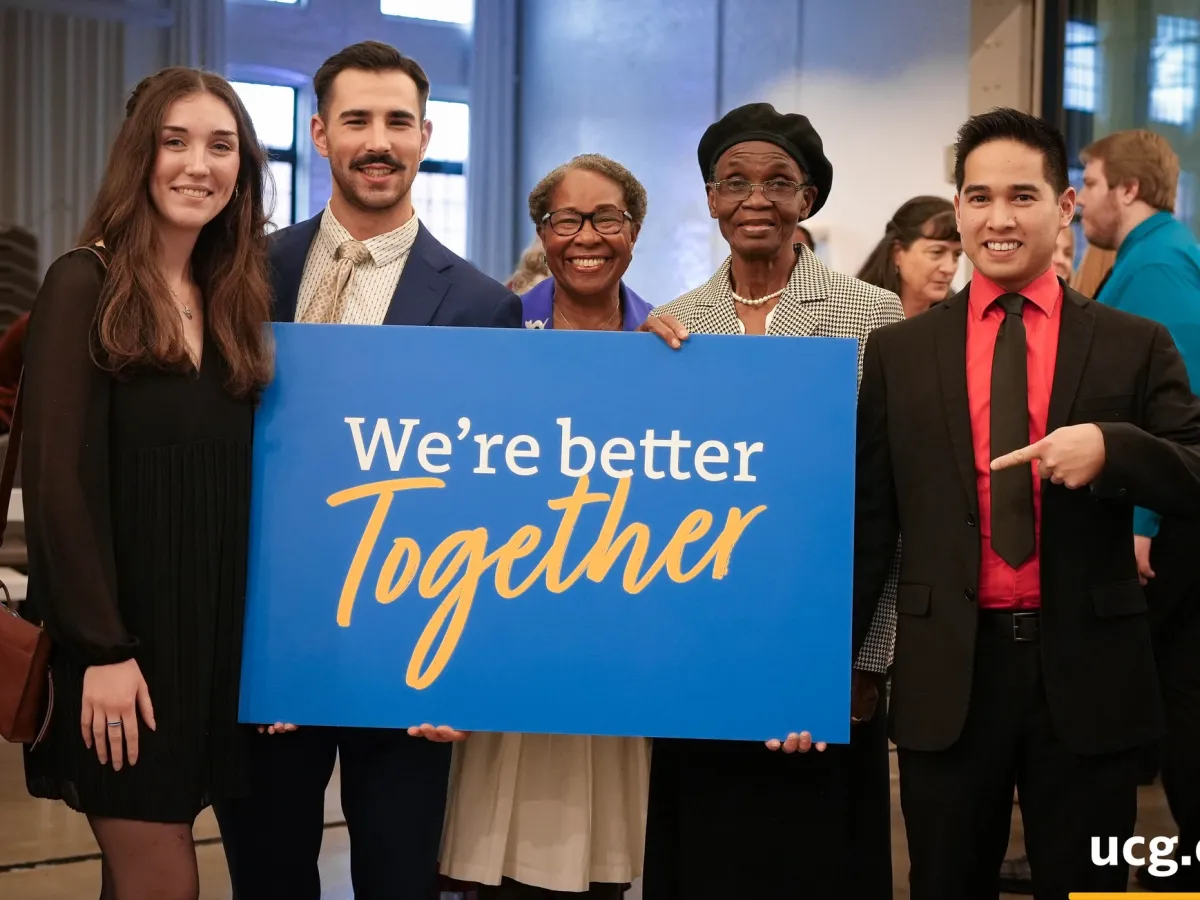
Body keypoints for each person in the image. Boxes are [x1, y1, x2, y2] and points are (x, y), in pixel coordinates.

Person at [852, 107, 1200, 899]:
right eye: (977, 198)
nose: (998, 219)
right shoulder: (902, 352)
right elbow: (872, 522)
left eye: (1022, 196)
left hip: (1087, 674)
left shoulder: (1130, 343)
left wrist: (1116, 450)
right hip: (948, 677)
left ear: (1065, 208)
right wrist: (833, 665)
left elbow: (1194, 467)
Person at [214, 41, 522, 900]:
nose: (377, 140)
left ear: (425, 136)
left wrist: (463, 669)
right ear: (319, 133)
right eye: (357, 120)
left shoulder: (477, 304)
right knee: (267, 877)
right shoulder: (243, 272)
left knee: (398, 879)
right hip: (268, 641)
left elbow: (487, 498)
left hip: (409, 647)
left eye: (397, 121)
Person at [20, 66, 273, 899]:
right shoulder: (81, 282)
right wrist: (103, 649)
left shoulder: (229, 294)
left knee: (145, 872)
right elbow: (57, 482)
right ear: (140, 156)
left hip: (205, 647)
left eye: (221, 145)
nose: (198, 164)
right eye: (175, 142)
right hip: (121, 647)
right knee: (165, 875)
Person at [639, 102, 901, 899]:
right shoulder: (675, 327)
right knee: (708, 856)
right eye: (736, 182)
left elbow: (890, 503)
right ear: (712, 199)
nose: (757, 198)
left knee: (817, 859)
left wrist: (868, 660)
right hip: (703, 649)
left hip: (827, 643)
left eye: (779, 182)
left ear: (808, 199)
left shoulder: (873, 317)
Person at [438, 153, 653, 899]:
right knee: (493, 860)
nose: (586, 236)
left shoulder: (671, 350)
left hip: (616, 637)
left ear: (634, 231)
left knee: (602, 862)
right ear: (542, 231)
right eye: (567, 219)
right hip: (502, 629)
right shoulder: (492, 335)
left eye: (607, 218)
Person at [1077, 128, 1200, 892]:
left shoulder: (1155, 265)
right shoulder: (1156, 256)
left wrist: (1140, 525)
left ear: (1126, 188)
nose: (1082, 200)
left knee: (1174, 702)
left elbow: (1175, 416)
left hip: (1169, 523)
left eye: (1087, 183)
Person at [857, 195, 962, 317]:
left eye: (957, 255)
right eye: (936, 252)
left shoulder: (958, 317)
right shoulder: (858, 314)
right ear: (897, 253)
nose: (949, 268)